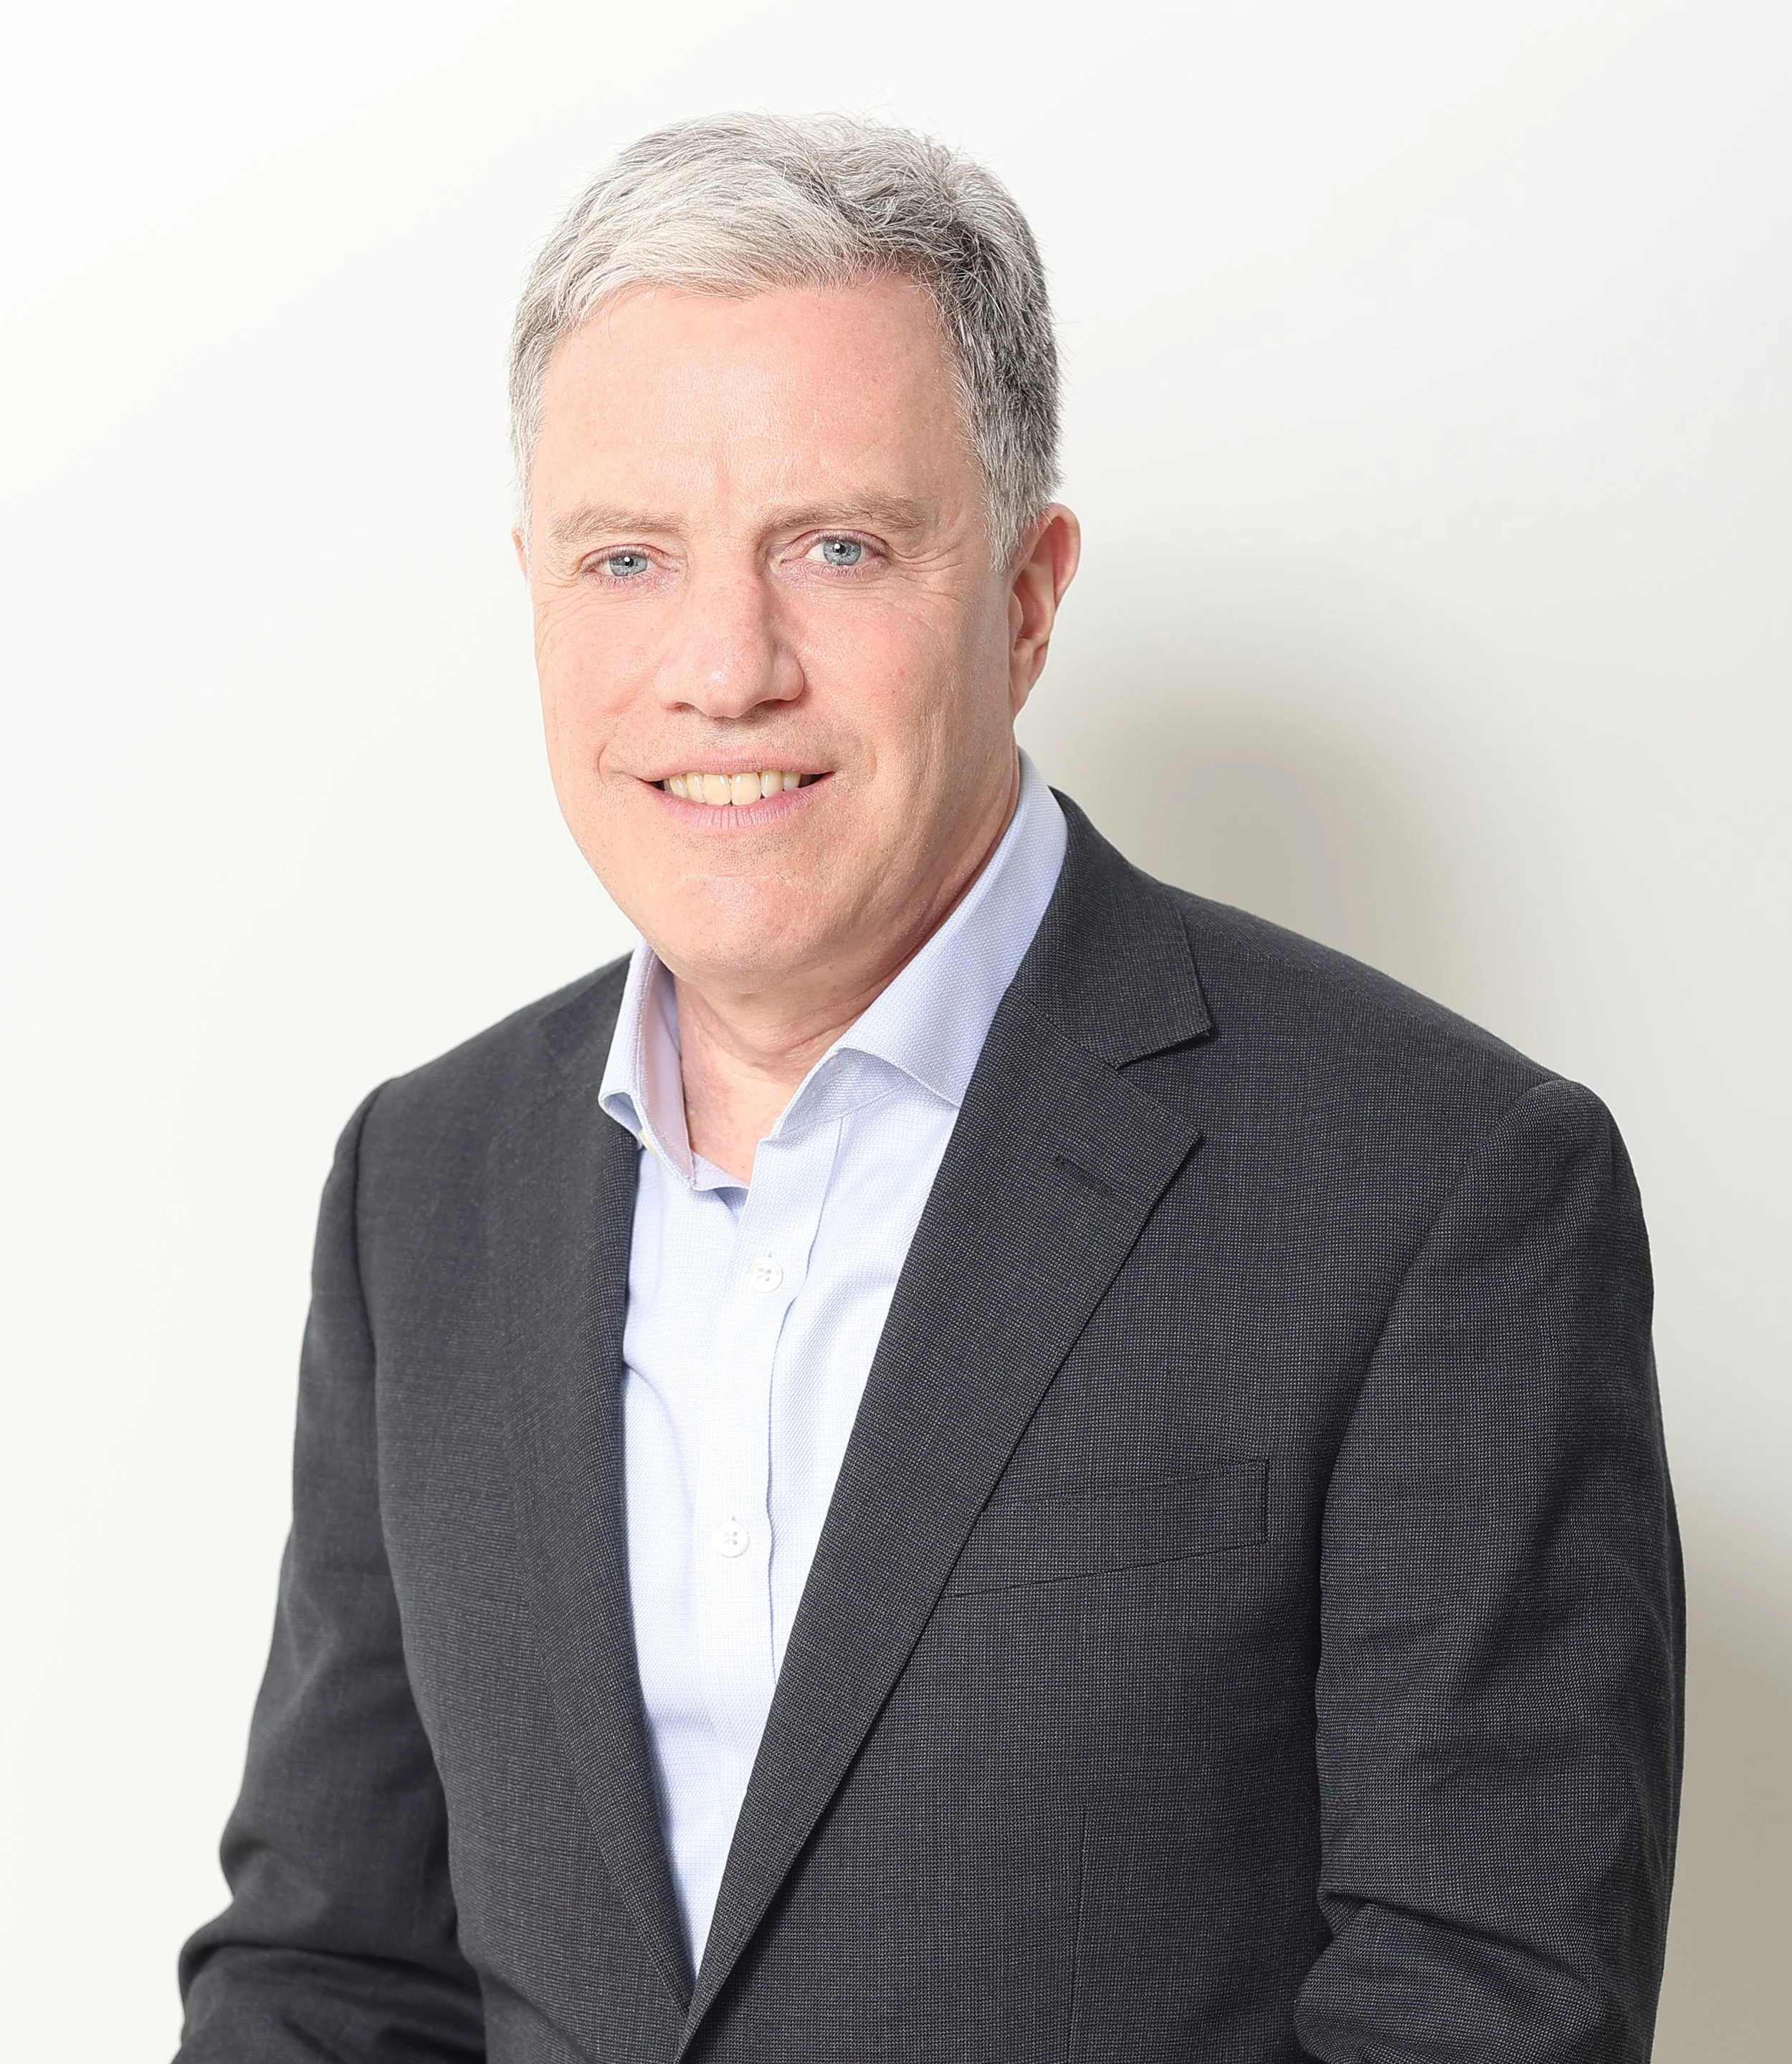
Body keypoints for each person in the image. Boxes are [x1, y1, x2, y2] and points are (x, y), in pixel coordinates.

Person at [176, 113, 1682, 2063]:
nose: (725, 670)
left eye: (839, 548)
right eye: (627, 559)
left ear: (1028, 596)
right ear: (534, 592)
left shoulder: (1443, 1183)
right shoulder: (427, 1176)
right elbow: (334, 1968)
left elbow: (1486, 2007)